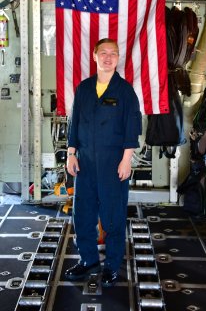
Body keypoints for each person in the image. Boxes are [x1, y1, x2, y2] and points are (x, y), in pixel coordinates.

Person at [65, 38, 142, 286]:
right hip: (85, 162)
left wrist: (126, 160)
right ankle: (88, 260)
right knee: (83, 214)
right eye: (104, 53)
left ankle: (111, 265)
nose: (108, 57)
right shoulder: (84, 88)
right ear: (95, 56)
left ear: (118, 58)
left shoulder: (125, 91)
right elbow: (74, 122)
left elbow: (132, 128)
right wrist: (71, 153)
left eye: (114, 54)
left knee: (113, 215)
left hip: (113, 163)